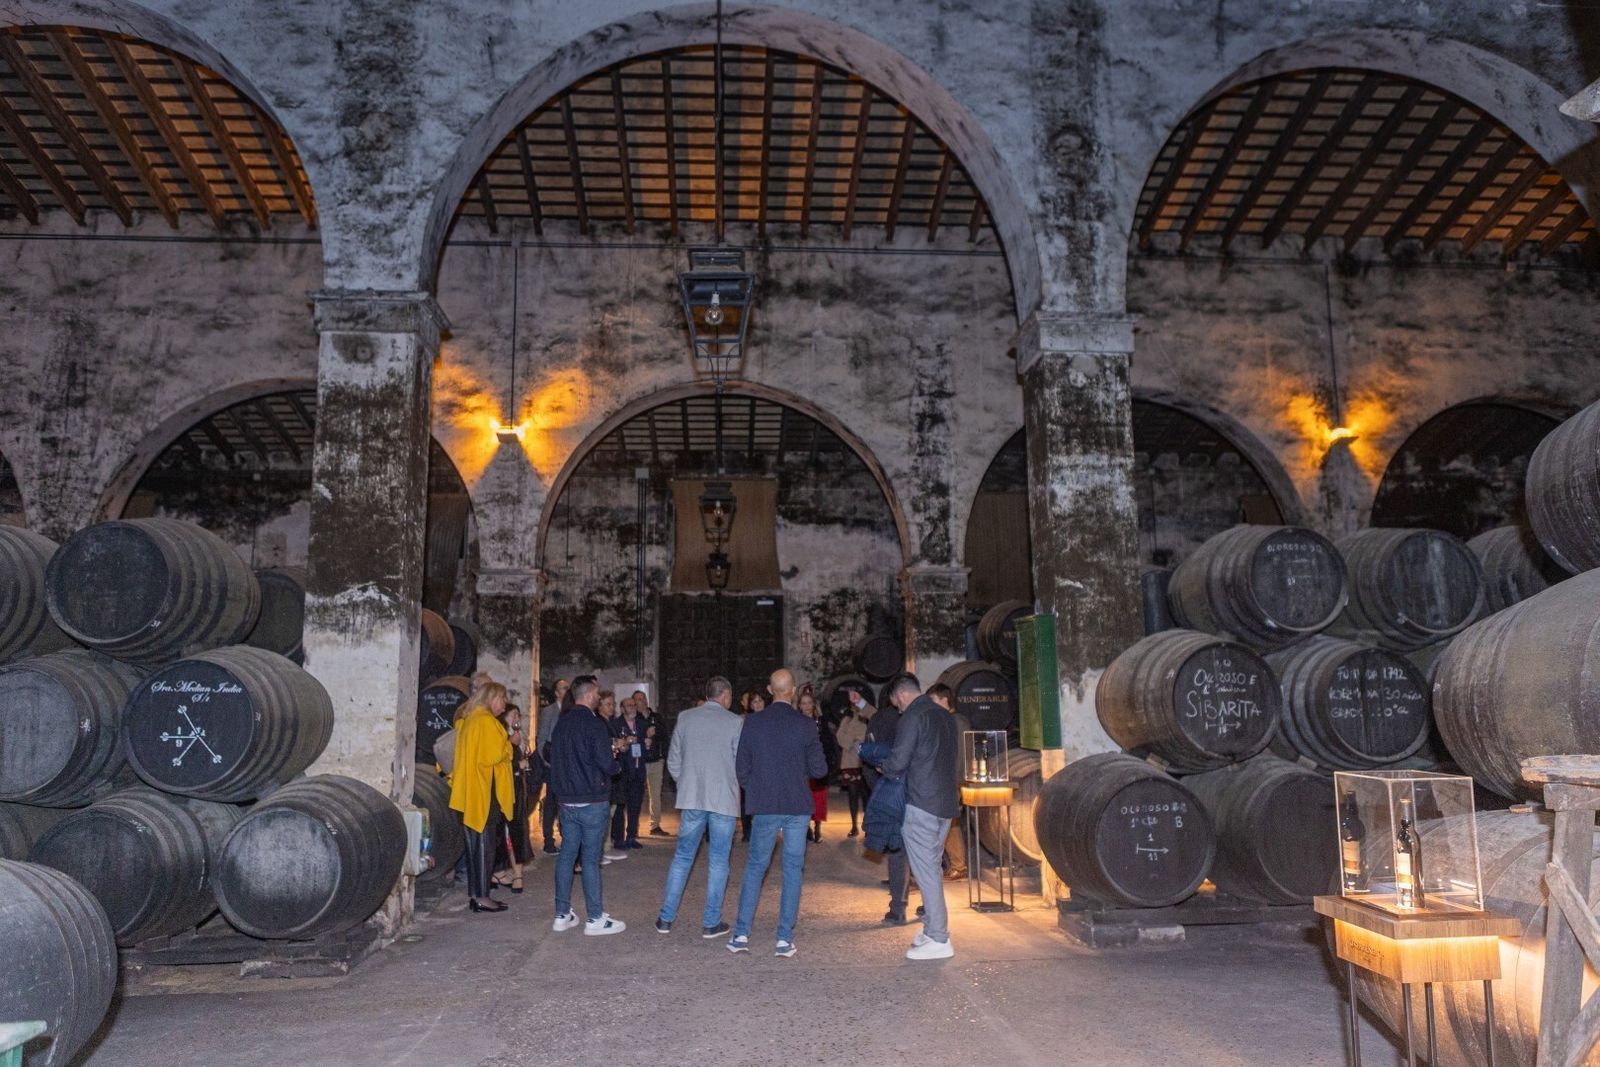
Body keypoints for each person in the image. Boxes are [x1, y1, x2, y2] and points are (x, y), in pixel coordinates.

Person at [728, 669, 827, 958]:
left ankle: (741, 934)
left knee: (756, 867)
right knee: (793, 870)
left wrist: (756, 787)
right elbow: (820, 769)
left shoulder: (754, 723)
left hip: (766, 805)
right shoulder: (806, 725)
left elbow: (741, 767)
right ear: (793, 691)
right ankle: (784, 938)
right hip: (797, 805)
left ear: (771, 691)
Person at [654, 676, 742, 937]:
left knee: (682, 857)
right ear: (724, 695)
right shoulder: (735, 722)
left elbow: (674, 759)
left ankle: (665, 918)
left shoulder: (685, 717)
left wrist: (686, 783)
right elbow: (740, 763)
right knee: (718, 861)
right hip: (723, 801)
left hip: (692, 799)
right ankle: (711, 921)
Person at [881, 674, 960, 960]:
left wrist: (883, 766)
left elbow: (898, 761)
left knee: (925, 872)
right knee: (932, 868)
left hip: (921, 803)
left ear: (900, 695)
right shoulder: (945, 716)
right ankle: (930, 929)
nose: (897, 708)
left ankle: (940, 938)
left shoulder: (912, 717)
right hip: (946, 805)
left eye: (895, 703)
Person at [548, 677, 626, 935]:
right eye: (596, 692)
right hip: (592, 799)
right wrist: (616, 763)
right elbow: (605, 763)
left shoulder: (561, 724)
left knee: (567, 856)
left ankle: (562, 914)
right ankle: (594, 918)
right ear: (590, 694)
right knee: (591, 859)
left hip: (567, 801)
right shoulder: (594, 725)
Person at [447, 683, 516, 913]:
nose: (504, 704)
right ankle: (483, 897)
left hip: (470, 792)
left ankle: (476, 895)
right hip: (484, 794)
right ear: (492, 697)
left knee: (474, 847)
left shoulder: (469, 719)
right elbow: (493, 755)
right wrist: (509, 745)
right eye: (502, 698)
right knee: (485, 848)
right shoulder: (485, 721)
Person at [866, 691, 912, 924]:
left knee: (898, 851)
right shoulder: (935, 718)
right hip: (925, 796)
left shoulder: (904, 720)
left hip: (899, 792)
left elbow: (894, 760)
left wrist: (883, 768)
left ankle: (898, 907)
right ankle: (929, 906)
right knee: (925, 854)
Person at [926, 683, 970, 880]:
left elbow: (959, 756)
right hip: (949, 780)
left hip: (951, 780)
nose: (932, 705)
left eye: (934, 700)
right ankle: (957, 865)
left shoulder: (956, 722)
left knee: (947, 822)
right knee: (949, 822)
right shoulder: (950, 720)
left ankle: (958, 865)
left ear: (944, 699)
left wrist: (953, 781)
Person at [492, 703, 535, 893]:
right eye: (513, 715)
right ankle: (508, 873)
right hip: (504, 789)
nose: (517, 718)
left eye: (519, 715)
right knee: (507, 831)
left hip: (517, 787)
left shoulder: (516, 735)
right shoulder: (500, 735)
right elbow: (498, 761)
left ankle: (513, 873)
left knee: (516, 830)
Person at [611, 693, 649, 849]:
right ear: (622, 708)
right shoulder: (615, 724)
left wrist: (647, 744)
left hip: (638, 769)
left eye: (633, 705)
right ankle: (618, 838)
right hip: (623, 771)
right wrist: (625, 742)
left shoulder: (642, 724)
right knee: (620, 806)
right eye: (629, 705)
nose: (632, 708)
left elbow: (646, 747)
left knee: (635, 805)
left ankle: (632, 836)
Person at [536, 678, 570, 854]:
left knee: (566, 802)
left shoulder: (571, 711)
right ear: (556, 693)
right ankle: (548, 840)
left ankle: (567, 837)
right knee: (551, 802)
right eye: (564, 688)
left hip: (568, 765)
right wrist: (547, 761)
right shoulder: (549, 711)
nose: (567, 690)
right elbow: (541, 739)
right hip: (553, 764)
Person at [596, 691, 629, 863]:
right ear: (599, 705)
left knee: (612, 810)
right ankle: (601, 848)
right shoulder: (598, 722)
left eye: (612, 704)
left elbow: (615, 742)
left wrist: (621, 746)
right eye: (608, 704)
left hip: (614, 769)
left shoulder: (611, 723)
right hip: (605, 772)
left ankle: (606, 846)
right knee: (605, 812)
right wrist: (615, 744)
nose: (611, 707)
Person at [833, 694, 870, 837]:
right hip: (850, 761)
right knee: (853, 794)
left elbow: (868, 736)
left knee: (866, 795)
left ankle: (867, 826)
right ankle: (854, 825)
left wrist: (859, 741)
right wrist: (852, 741)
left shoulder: (866, 719)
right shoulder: (846, 720)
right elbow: (840, 736)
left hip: (863, 761)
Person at [797, 686, 829, 844]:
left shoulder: (821, 722)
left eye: (809, 703)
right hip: (800, 766)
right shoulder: (795, 722)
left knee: (818, 798)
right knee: (803, 797)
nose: (806, 706)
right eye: (803, 703)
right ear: (799, 705)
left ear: (813, 704)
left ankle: (817, 828)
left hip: (816, 764)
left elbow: (828, 743)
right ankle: (806, 828)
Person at [738, 690, 767, 843]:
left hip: (765, 764)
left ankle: (762, 831)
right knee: (747, 799)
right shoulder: (744, 720)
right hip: (749, 764)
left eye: (760, 701)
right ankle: (747, 831)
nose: (758, 704)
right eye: (754, 702)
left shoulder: (771, 720)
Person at [639, 690, 669, 836]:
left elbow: (665, 734)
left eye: (642, 698)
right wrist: (645, 734)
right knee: (636, 794)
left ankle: (655, 825)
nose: (640, 702)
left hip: (656, 760)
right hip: (641, 761)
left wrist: (655, 733)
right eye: (637, 699)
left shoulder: (656, 717)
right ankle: (633, 826)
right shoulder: (634, 719)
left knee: (655, 794)